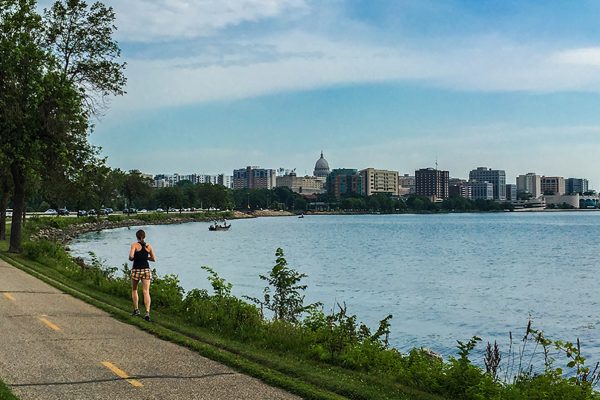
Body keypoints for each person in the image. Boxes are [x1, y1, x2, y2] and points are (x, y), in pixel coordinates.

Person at [128, 229, 156, 321]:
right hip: (146, 270)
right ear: (144, 236)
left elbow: (131, 257)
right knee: (146, 291)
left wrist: (136, 256)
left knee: (134, 289)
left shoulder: (134, 245)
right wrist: (145, 257)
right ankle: (147, 312)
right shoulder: (148, 246)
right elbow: (153, 259)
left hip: (136, 270)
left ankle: (136, 310)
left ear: (137, 236)